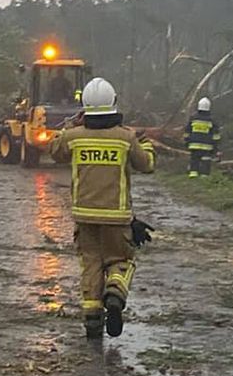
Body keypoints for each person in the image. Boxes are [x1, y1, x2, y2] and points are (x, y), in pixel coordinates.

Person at [50, 77, 155, 337]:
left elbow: (54, 150)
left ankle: (93, 321)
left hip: (84, 215)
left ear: (84, 107)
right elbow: (147, 164)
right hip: (117, 217)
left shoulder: (74, 138)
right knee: (121, 259)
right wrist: (147, 144)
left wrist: (69, 127)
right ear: (113, 103)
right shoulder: (125, 138)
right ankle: (115, 294)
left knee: (91, 264)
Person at [185, 97, 220, 178]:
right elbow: (216, 135)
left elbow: (187, 131)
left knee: (194, 159)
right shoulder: (211, 120)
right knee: (206, 160)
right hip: (207, 147)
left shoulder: (193, 118)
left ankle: (193, 174)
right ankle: (204, 176)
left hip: (194, 145)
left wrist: (187, 142)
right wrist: (215, 147)